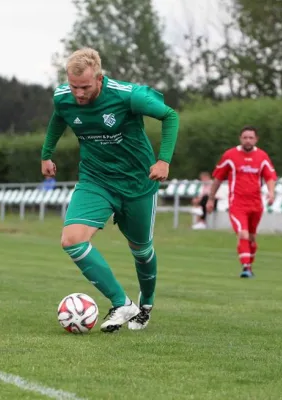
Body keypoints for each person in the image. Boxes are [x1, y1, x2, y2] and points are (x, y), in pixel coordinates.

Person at [41, 48, 179, 333]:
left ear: (100, 79)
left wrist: (163, 160)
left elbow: (170, 116)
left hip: (137, 184)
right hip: (96, 181)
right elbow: (59, 117)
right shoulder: (63, 96)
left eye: (85, 87)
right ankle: (121, 302)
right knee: (72, 240)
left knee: (141, 251)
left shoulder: (129, 95)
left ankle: (147, 303)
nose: (78, 94)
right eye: (73, 86)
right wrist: (46, 154)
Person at [206, 126, 277, 278]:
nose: (248, 140)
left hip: (256, 204)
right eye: (245, 137)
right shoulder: (230, 155)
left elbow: (270, 177)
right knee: (243, 234)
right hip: (237, 204)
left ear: (256, 139)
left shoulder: (262, 156)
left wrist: (271, 193)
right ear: (240, 139)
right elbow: (218, 178)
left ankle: (249, 266)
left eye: (251, 137)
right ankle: (246, 266)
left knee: (251, 237)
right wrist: (211, 199)